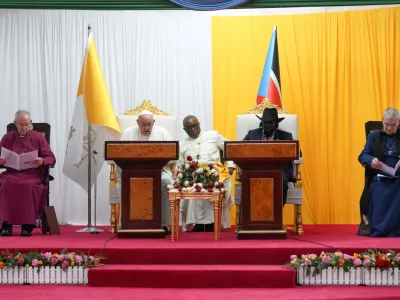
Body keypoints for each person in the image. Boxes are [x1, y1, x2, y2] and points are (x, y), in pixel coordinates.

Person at [118, 110, 174, 235]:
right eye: (144, 124)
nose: (147, 128)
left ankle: (164, 224)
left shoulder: (163, 133)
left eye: (149, 124)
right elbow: (119, 153)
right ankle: (127, 223)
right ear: (138, 122)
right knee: (122, 183)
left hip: (159, 171)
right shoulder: (127, 133)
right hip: (131, 172)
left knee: (167, 181)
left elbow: (172, 153)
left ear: (154, 122)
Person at [0, 110, 56, 237]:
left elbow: (51, 158)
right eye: (21, 125)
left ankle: (27, 227)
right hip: (11, 173)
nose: (24, 128)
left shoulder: (38, 137)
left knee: (28, 185)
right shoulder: (7, 138)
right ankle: (5, 226)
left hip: (32, 174)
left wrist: (42, 161)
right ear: (15, 123)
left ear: (30, 123)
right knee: (5, 184)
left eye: (27, 124)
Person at [179, 115, 235, 232]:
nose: (193, 129)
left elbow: (231, 147)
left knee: (211, 183)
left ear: (199, 124)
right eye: (189, 128)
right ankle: (198, 222)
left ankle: (213, 222)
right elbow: (180, 164)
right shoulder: (182, 144)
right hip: (193, 175)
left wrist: (230, 166)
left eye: (195, 126)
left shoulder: (213, 135)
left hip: (215, 171)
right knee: (194, 183)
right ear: (185, 130)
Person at [358, 107, 400, 237]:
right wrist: (371, 160)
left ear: (398, 122)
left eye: (393, 125)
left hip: (398, 178)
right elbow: (362, 155)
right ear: (382, 121)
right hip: (380, 178)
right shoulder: (373, 137)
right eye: (386, 124)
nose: (389, 128)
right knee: (379, 189)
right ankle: (380, 227)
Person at [243, 107, 295, 205]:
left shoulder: (286, 136)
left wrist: (282, 148)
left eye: (270, 123)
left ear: (276, 124)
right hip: (257, 169)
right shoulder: (252, 134)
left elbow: (297, 153)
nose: (267, 126)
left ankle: (277, 214)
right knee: (249, 180)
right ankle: (252, 216)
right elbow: (240, 150)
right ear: (261, 124)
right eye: (265, 123)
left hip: (280, 170)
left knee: (281, 181)